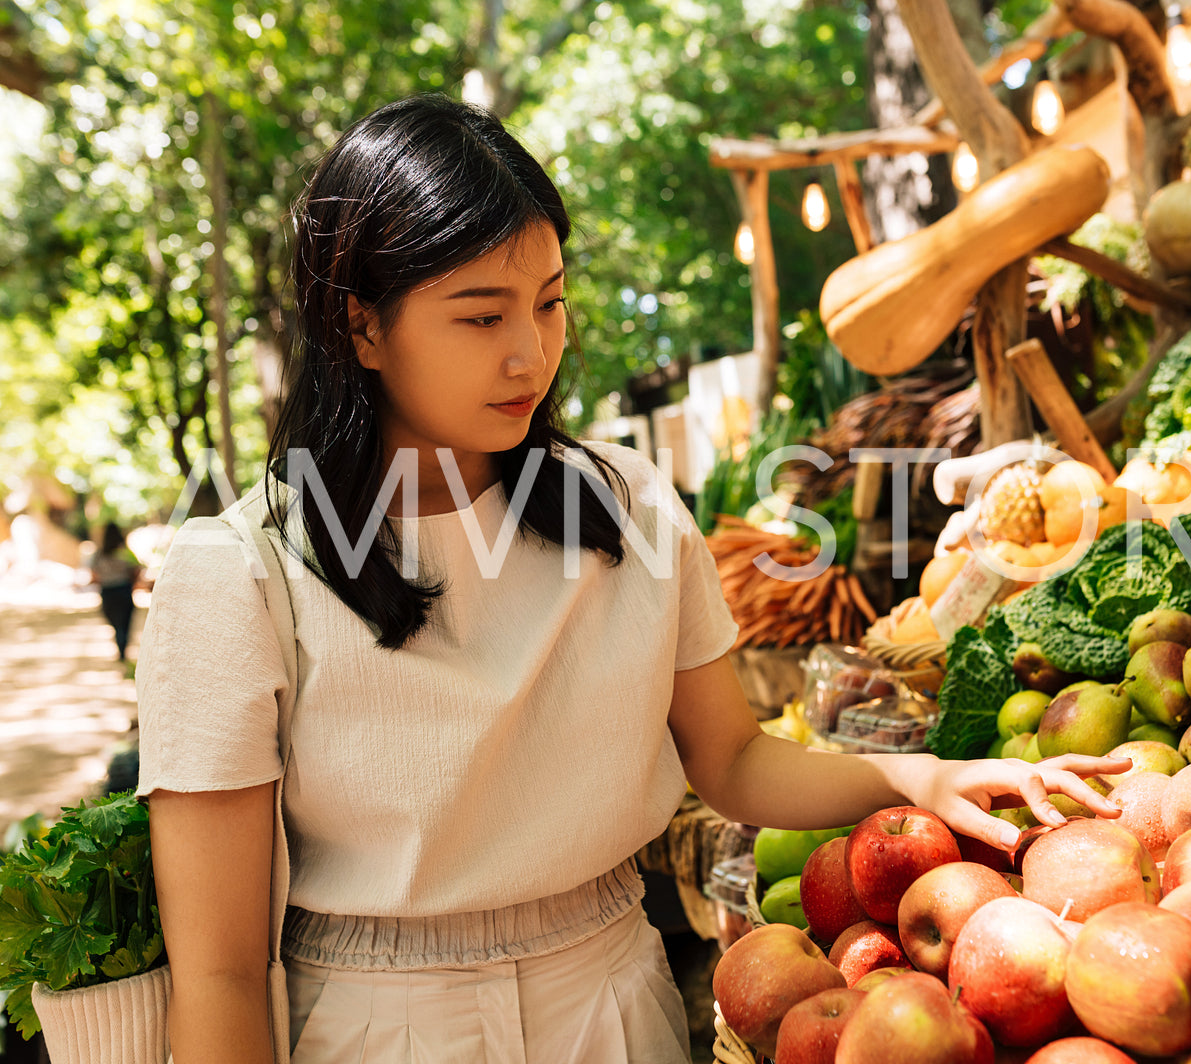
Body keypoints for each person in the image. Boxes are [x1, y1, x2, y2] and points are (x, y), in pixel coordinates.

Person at [135, 94, 1129, 1064]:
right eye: (479, 317)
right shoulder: (238, 573)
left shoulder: (629, 508)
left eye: (550, 300)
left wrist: (926, 778)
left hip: (611, 996)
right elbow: (219, 969)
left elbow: (730, 758)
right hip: (372, 1022)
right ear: (360, 326)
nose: (531, 352)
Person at [91, 521, 141, 662]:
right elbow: (137, 569)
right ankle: (122, 649)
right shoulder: (125, 552)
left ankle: (121, 649)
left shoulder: (99, 555)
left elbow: (93, 574)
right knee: (124, 623)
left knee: (117, 624)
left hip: (108, 592)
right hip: (124, 590)